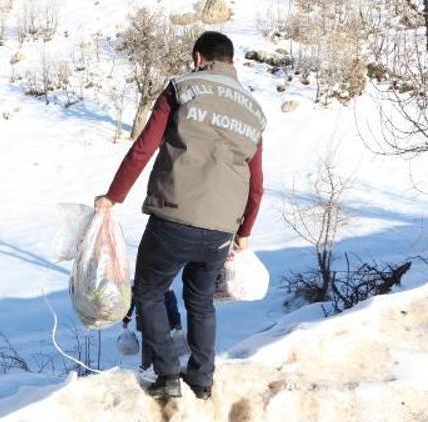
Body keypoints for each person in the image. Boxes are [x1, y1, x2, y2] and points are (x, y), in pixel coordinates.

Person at [95, 31, 266, 400]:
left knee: (149, 291)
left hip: (174, 216)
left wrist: (114, 196)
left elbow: (144, 148)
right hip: (222, 228)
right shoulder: (254, 111)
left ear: (199, 58)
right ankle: (202, 379)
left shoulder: (181, 88)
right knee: (200, 300)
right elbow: (257, 183)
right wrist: (245, 231)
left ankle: (168, 374)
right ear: (232, 62)